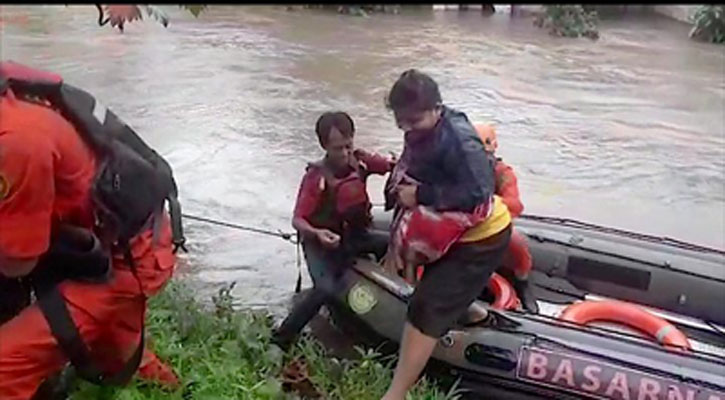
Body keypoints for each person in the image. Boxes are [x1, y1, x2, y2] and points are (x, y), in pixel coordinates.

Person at [0, 62, 179, 399]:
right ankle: (163, 385)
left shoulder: (16, 140)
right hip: (101, 238)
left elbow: (15, 265)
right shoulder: (12, 97)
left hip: (125, 261)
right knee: (118, 352)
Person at [381, 69, 512, 400]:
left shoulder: (461, 141)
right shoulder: (426, 128)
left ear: (436, 108)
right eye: (402, 123)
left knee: (424, 308)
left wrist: (422, 195)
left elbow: (478, 194)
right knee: (441, 286)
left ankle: (395, 394)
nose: (408, 128)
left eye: (414, 120)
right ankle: (469, 310)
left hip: (481, 237)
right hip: (452, 234)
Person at [272, 111, 394, 350]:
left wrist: (397, 165)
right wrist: (317, 234)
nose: (345, 153)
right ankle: (281, 339)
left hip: (355, 236)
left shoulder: (361, 161)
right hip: (321, 244)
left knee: (396, 243)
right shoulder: (315, 177)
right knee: (325, 289)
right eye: (338, 148)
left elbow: (389, 165)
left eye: (349, 145)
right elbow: (298, 220)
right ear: (324, 146)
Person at [475, 124, 538, 313]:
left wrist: (485, 204)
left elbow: (514, 204)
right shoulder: (457, 168)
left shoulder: (502, 174)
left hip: (492, 223)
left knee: (517, 246)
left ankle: (522, 282)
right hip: (461, 223)